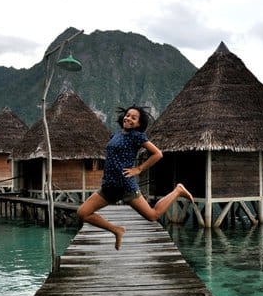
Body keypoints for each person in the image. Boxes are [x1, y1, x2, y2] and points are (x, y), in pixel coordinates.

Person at [77, 105, 193, 250]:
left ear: (139, 123)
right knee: (82, 213)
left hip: (126, 186)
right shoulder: (116, 135)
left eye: (134, 117)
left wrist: (138, 169)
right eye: (127, 115)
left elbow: (158, 154)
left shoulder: (137, 136)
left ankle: (178, 190)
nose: (128, 118)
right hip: (109, 186)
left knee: (152, 215)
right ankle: (116, 230)